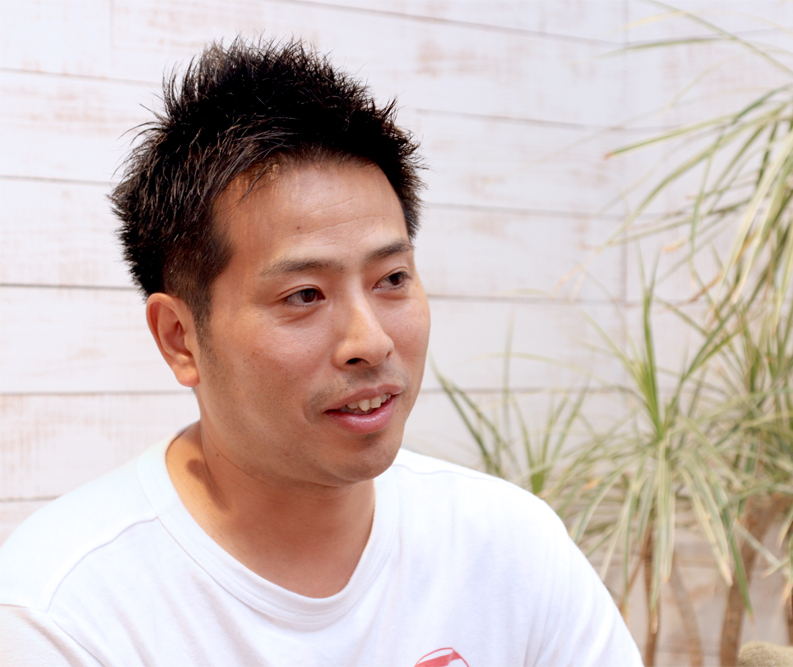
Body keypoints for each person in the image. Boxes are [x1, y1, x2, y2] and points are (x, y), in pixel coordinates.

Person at [0, 39, 642, 666]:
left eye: (392, 279)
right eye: (304, 295)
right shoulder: (62, 615)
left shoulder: (510, 547)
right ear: (180, 337)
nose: (371, 341)